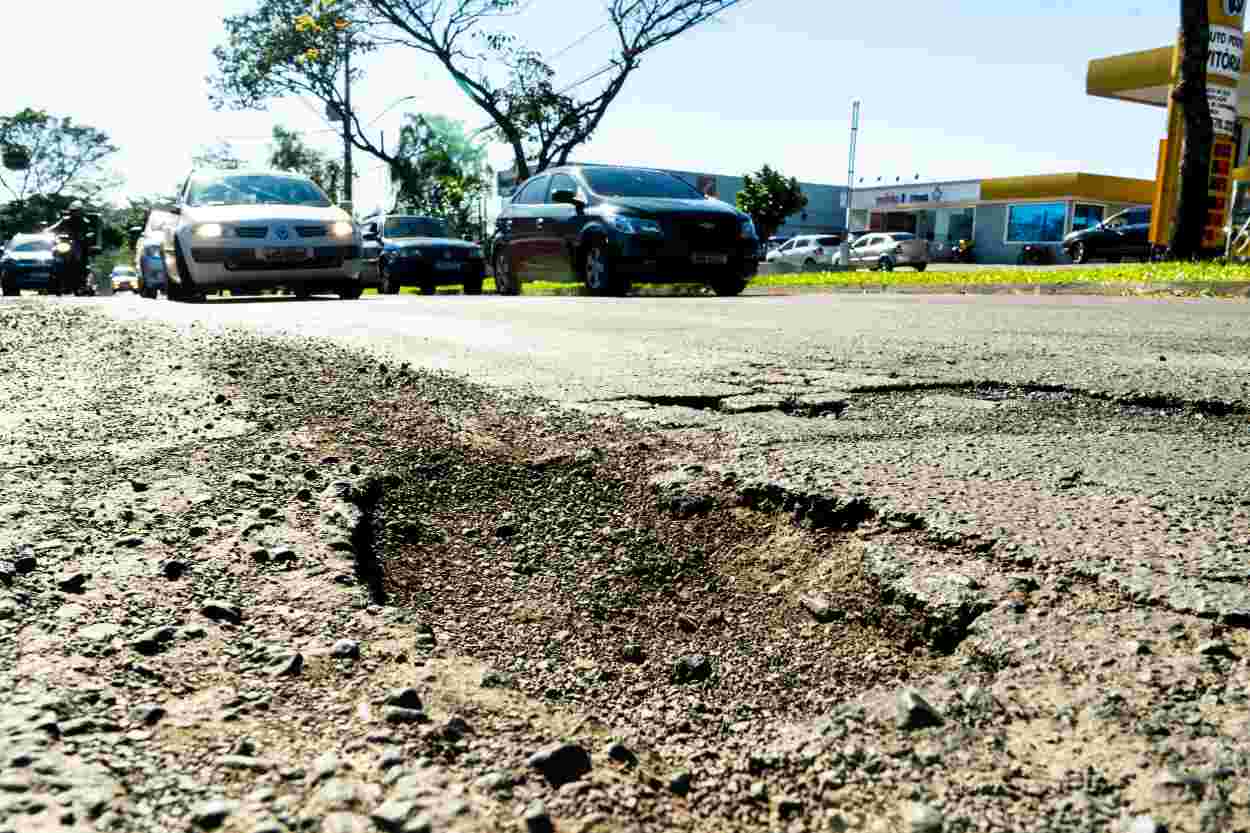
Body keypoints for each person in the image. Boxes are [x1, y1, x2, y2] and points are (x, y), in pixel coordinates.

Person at [46, 201, 94, 295]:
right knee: (54, 253)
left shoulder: (85, 222)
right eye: (73, 211)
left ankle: (80, 280)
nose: (75, 213)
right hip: (65, 244)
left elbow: (90, 231)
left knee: (80, 258)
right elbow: (55, 227)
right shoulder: (65, 220)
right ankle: (55, 277)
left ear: (80, 212)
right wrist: (46, 230)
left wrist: (88, 236)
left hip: (77, 243)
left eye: (77, 211)